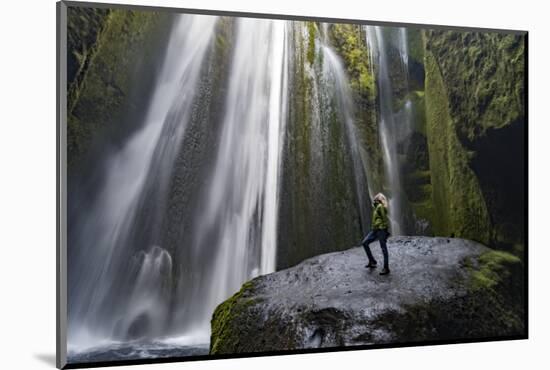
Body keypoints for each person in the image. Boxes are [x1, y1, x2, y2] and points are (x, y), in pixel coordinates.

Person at [361, 193, 391, 275]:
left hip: (381, 229)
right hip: (375, 229)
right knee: (365, 243)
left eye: (377, 196)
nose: (375, 196)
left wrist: (385, 230)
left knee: (383, 248)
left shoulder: (380, 206)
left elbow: (384, 219)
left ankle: (386, 268)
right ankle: (372, 261)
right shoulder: (376, 207)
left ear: (379, 198)